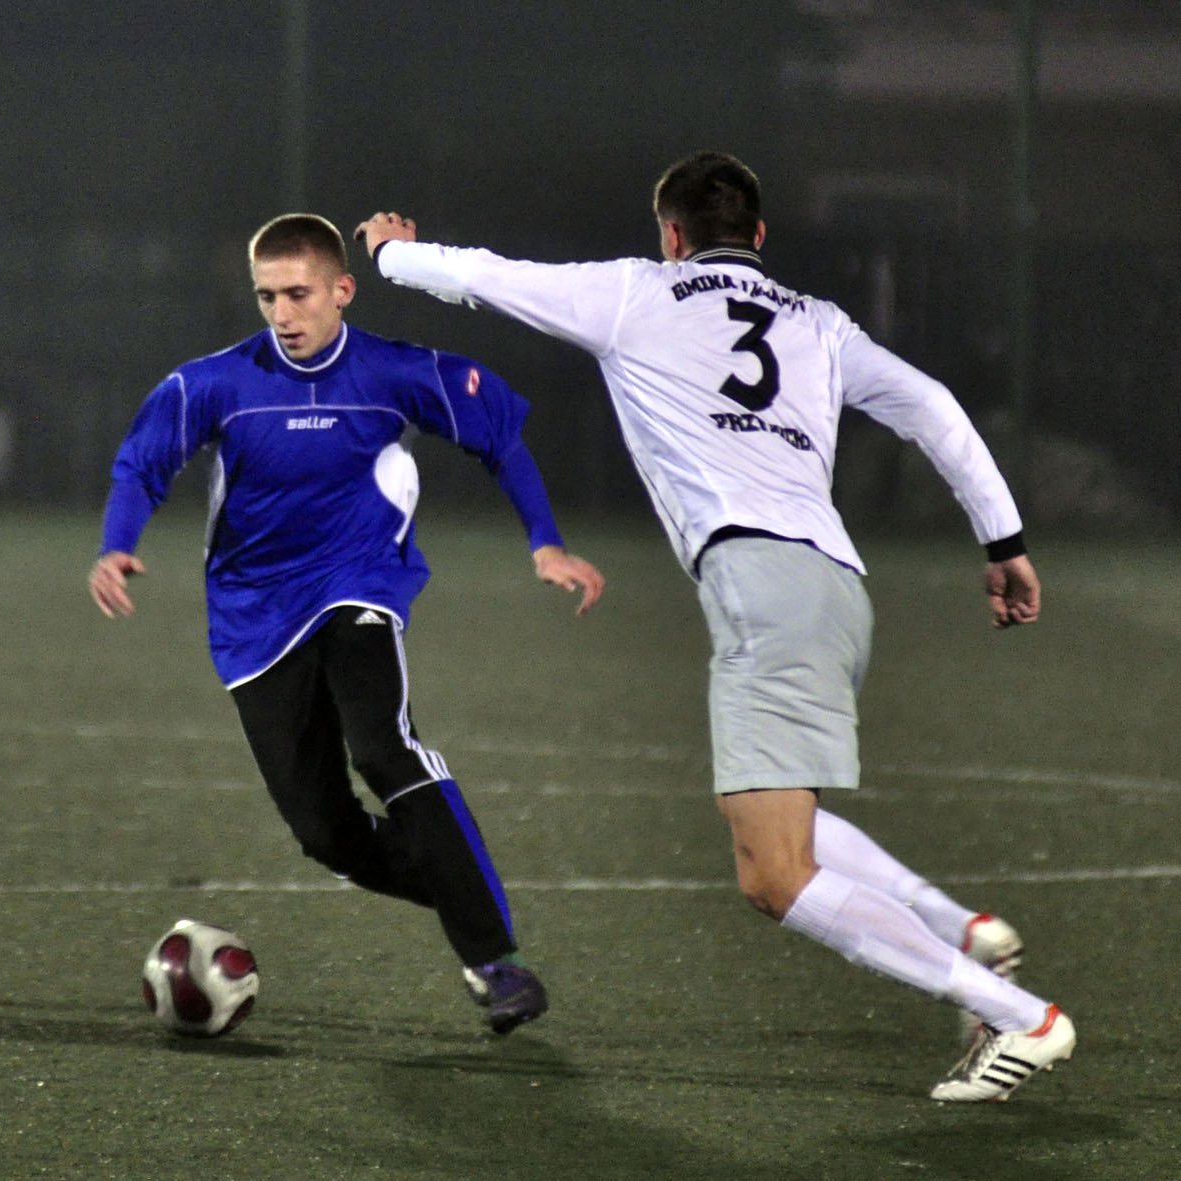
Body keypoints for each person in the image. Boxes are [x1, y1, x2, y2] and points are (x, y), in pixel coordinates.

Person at [356, 151, 1073, 1100]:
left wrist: (392, 255)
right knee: (771, 821)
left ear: (672, 235)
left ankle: (1021, 1017)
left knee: (775, 876)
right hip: (834, 590)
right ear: (759, 236)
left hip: (763, 588)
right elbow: (934, 409)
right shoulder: (819, 323)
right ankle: (960, 932)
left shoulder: (635, 294)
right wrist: (1003, 540)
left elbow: (487, 276)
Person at [89, 213, 605, 1033]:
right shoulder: (214, 383)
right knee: (324, 832)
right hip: (254, 615)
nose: (282, 313)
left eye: (298, 293)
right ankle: (463, 889)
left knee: (383, 745)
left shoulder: (394, 371)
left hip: (358, 584)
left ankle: (493, 962)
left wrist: (546, 542)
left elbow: (500, 436)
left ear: (342, 290)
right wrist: (117, 545)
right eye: (267, 296)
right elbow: (142, 463)